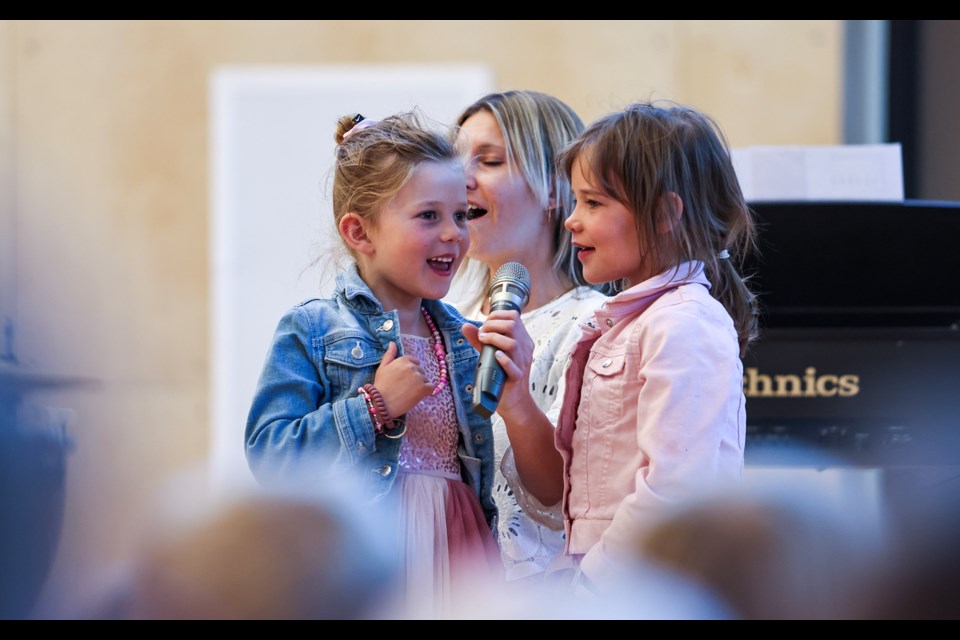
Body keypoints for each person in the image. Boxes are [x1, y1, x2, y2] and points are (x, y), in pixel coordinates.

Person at [463, 100, 759, 592]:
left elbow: (674, 491)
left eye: (594, 203)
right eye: (575, 202)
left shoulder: (685, 323)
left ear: (665, 213)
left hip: (645, 587)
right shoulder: (620, 325)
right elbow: (575, 491)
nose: (573, 221)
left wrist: (592, 585)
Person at [244, 111, 501, 617]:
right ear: (360, 232)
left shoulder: (463, 337)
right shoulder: (315, 329)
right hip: (371, 547)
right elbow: (271, 457)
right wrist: (375, 405)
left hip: (457, 545)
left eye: (462, 214)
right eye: (429, 216)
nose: (453, 234)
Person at [448, 90, 609, 583]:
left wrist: (517, 405)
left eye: (490, 161)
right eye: (454, 162)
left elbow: (571, 502)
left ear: (557, 190)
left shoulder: (595, 326)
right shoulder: (444, 320)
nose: (462, 179)